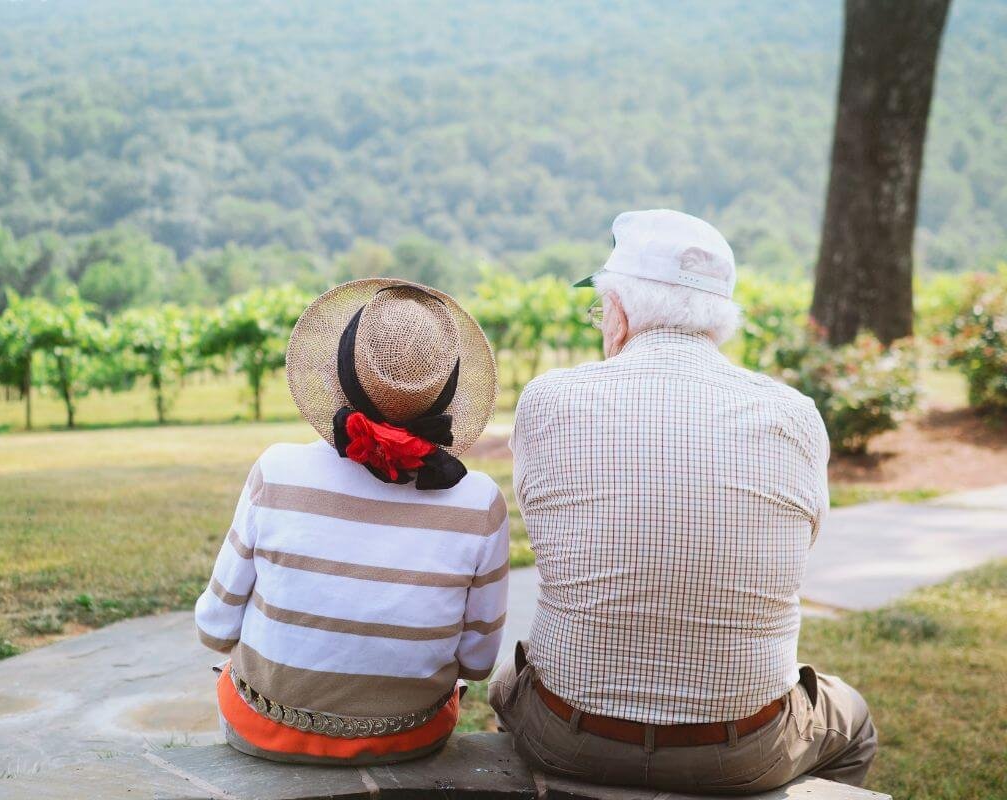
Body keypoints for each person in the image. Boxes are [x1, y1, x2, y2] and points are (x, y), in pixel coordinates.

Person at [492, 210, 877, 793]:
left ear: (618, 310)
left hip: (568, 735)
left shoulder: (549, 399)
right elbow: (802, 541)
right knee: (855, 720)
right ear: (720, 320)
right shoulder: (794, 414)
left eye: (601, 308)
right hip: (745, 749)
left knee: (506, 684)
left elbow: (548, 529)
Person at [195, 279, 510, 765]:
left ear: (339, 374)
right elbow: (478, 663)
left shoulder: (277, 471)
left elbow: (215, 627)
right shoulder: (479, 501)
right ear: (445, 393)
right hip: (411, 737)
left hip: (265, 727)